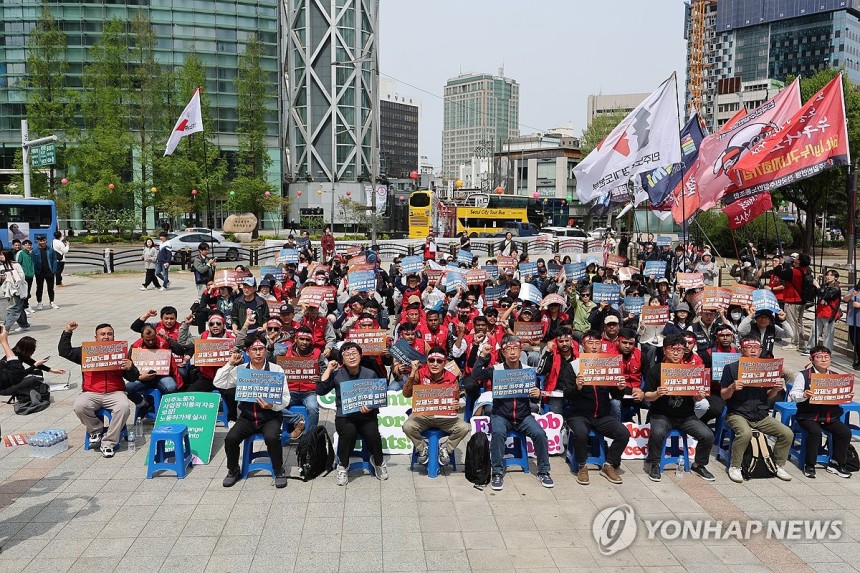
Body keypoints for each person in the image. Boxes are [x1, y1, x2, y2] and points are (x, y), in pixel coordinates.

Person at [472, 334, 554, 491]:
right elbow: (476, 375)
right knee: (497, 433)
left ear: (520, 350)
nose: (512, 352)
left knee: (540, 434)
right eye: (508, 349)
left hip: (523, 416)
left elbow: (535, 394)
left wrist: (538, 393)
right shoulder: (496, 370)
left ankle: (544, 471)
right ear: (502, 352)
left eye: (515, 348)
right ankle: (496, 472)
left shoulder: (528, 371)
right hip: (501, 416)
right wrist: (483, 356)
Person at [639, 334, 715, 482]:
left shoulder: (692, 371)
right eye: (671, 350)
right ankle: (654, 463)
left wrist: (699, 396)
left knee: (707, 435)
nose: (675, 353)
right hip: (661, 414)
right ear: (665, 351)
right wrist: (656, 393)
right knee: (658, 432)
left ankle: (699, 464)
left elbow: (698, 397)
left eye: (679, 350)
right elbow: (646, 396)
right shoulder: (656, 370)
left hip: (686, 416)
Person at [218, 334, 290, 488]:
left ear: (266, 350)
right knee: (230, 438)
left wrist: (272, 406)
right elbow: (219, 382)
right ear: (247, 352)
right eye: (254, 349)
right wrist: (229, 364)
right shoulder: (241, 370)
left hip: (270, 416)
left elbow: (286, 398)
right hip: (248, 417)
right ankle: (233, 470)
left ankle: (278, 470)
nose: (258, 353)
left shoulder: (276, 369)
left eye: (261, 349)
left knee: (272, 438)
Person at [720, 335, 793, 483]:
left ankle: (778, 464)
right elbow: (723, 396)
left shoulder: (766, 368)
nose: (753, 351)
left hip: (761, 414)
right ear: (741, 349)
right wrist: (732, 388)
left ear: (760, 350)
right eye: (748, 347)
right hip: (737, 413)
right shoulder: (731, 368)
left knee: (787, 433)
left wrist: (775, 389)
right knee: (745, 434)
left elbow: (769, 396)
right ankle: (735, 466)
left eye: (756, 348)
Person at [562, 331, 630, 485]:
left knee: (623, 434)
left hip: (602, 415)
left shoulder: (608, 364)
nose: (594, 346)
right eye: (590, 343)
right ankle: (582, 466)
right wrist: (577, 387)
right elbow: (567, 395)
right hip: (578, 414)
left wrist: (620, 388)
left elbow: (616, 396)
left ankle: (609, 464)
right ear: (582, 346)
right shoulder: (573, 366)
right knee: (580, 433)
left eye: (597, 343)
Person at [59, 322, 136, 458]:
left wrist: (131, 367)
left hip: (115, 392)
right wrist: (67, 332)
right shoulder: (86, 351)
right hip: (91, 392)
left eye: (109, 334)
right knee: (79, 406)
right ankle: (96, 430)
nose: (106, 337)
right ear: (96, 337)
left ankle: (109, 443)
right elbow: (64, 351)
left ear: (114, 336)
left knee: (124, 408)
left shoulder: (120, 351)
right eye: (103, 334)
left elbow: (133, 377)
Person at [317, 341, 388, 486]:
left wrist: (370, 407)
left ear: (360, 356)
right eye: (347, 355)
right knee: (348, 432)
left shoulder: (370, 373)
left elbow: (379, 396)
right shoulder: (337, 375)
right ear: (342, 359)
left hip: (366, 415)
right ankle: (343, 465)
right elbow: (320, 390)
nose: (351, 357)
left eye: (354, 353)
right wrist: (329, 369)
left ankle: (379, 462)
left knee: (373, 433)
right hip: (345, 416)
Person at [789, 346, 853, 479]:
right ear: (811, 359)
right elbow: (793, 395)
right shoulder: (804, 375)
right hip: (808, 416)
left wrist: (846, 395)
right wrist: (804, 395)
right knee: (815, 433)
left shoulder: (836, 377)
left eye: (826, 357)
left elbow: (839, 398)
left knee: (845, 432)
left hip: (830, 416)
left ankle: (836, 463)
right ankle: (810, 465)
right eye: (819, 357)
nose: (823, 360)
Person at [402, 347, 471, 467]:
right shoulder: (420, 373)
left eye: (439, 361)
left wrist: (457, 405)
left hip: (444, 418)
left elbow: (455, 401)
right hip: (423, 416)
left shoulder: (451, 378)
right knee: (407, 426)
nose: (434, 364)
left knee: (464, 427)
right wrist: (413, 372)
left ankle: (445, 448)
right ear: (427, 362)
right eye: (431, 360)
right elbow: (406, 394)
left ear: (444, 363)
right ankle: (422, 448)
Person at [281, 326, 326, 431]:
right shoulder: (285, 351)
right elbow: (273, 364)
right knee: (274, 405)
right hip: (290, 391)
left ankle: (310, 438)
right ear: (296, 339)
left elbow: (325, 370)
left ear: (311, 341)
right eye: (302, 339)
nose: (304, 342)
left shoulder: (318, 353)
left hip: (309, 392)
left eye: (307, 340)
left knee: (313, 409)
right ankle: (297, 420)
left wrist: (319, 377)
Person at [776, 253, 810, 351]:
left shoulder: (794, 272)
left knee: (792, 322)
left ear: (799, 261)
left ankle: (794, 342)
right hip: (802, 300)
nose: (794, 259)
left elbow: (779, 273)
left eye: (797, 258)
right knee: (799, 322)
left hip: (793, 299)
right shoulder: (806, 270)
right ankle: (801, 343)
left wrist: (780, 264)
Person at [807, 269, 841, 353]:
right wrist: (816, 280)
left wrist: (818, 286)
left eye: (831, 275)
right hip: (819, 312)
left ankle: (827, 351)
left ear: (835, 278)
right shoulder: (825, 286)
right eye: (827, 275)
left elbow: (827, 295)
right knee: (814, 332)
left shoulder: (836, 288)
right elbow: (815, 292)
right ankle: (810, 349)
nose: (828, 277)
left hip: (829, 314)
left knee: (828, 335)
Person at [2, 250, 29, 333]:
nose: (0, 257)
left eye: (2, 255)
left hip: (17, 290)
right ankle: (24, 325)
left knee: (13, 309)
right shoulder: (3, 265)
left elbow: (21, 277)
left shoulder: (16, 265)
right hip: (9, 290)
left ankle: (5, 328)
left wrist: (8, 276)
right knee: (18, 308)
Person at [31, 234, 58, 310]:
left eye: (43, 240)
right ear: (37, 241)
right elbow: (33, 262)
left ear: (45, 241)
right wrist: (35, 271)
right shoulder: (35, 251)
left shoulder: (50, 250)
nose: (42, 242)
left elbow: (54, 260)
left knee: (51, 288)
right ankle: (39, 302)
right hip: (39, 272)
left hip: (49, 271)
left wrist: (53, 270)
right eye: (40, 241)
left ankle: (52, 302)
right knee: (39, 288)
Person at [15, 240, 34, 316]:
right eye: (26, 245)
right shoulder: (20, 253)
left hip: (30, 275)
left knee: (27, 292)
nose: (28, 246)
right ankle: (22, 308)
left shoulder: (30, 253)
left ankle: (26, 306)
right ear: (23, 246)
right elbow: (16, 264)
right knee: (23, 292)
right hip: (23, 277)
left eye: (29, 245)